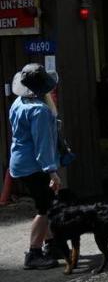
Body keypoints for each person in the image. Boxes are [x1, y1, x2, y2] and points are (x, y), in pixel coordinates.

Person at [8, 63, 63, 270]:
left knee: (45, 203)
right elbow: (43, 145)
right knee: (45, 208)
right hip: (34, 165)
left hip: (20, 162)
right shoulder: (39, 111)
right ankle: (34, 252)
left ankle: (52, 245)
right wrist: (52, 172)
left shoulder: (19, 102)